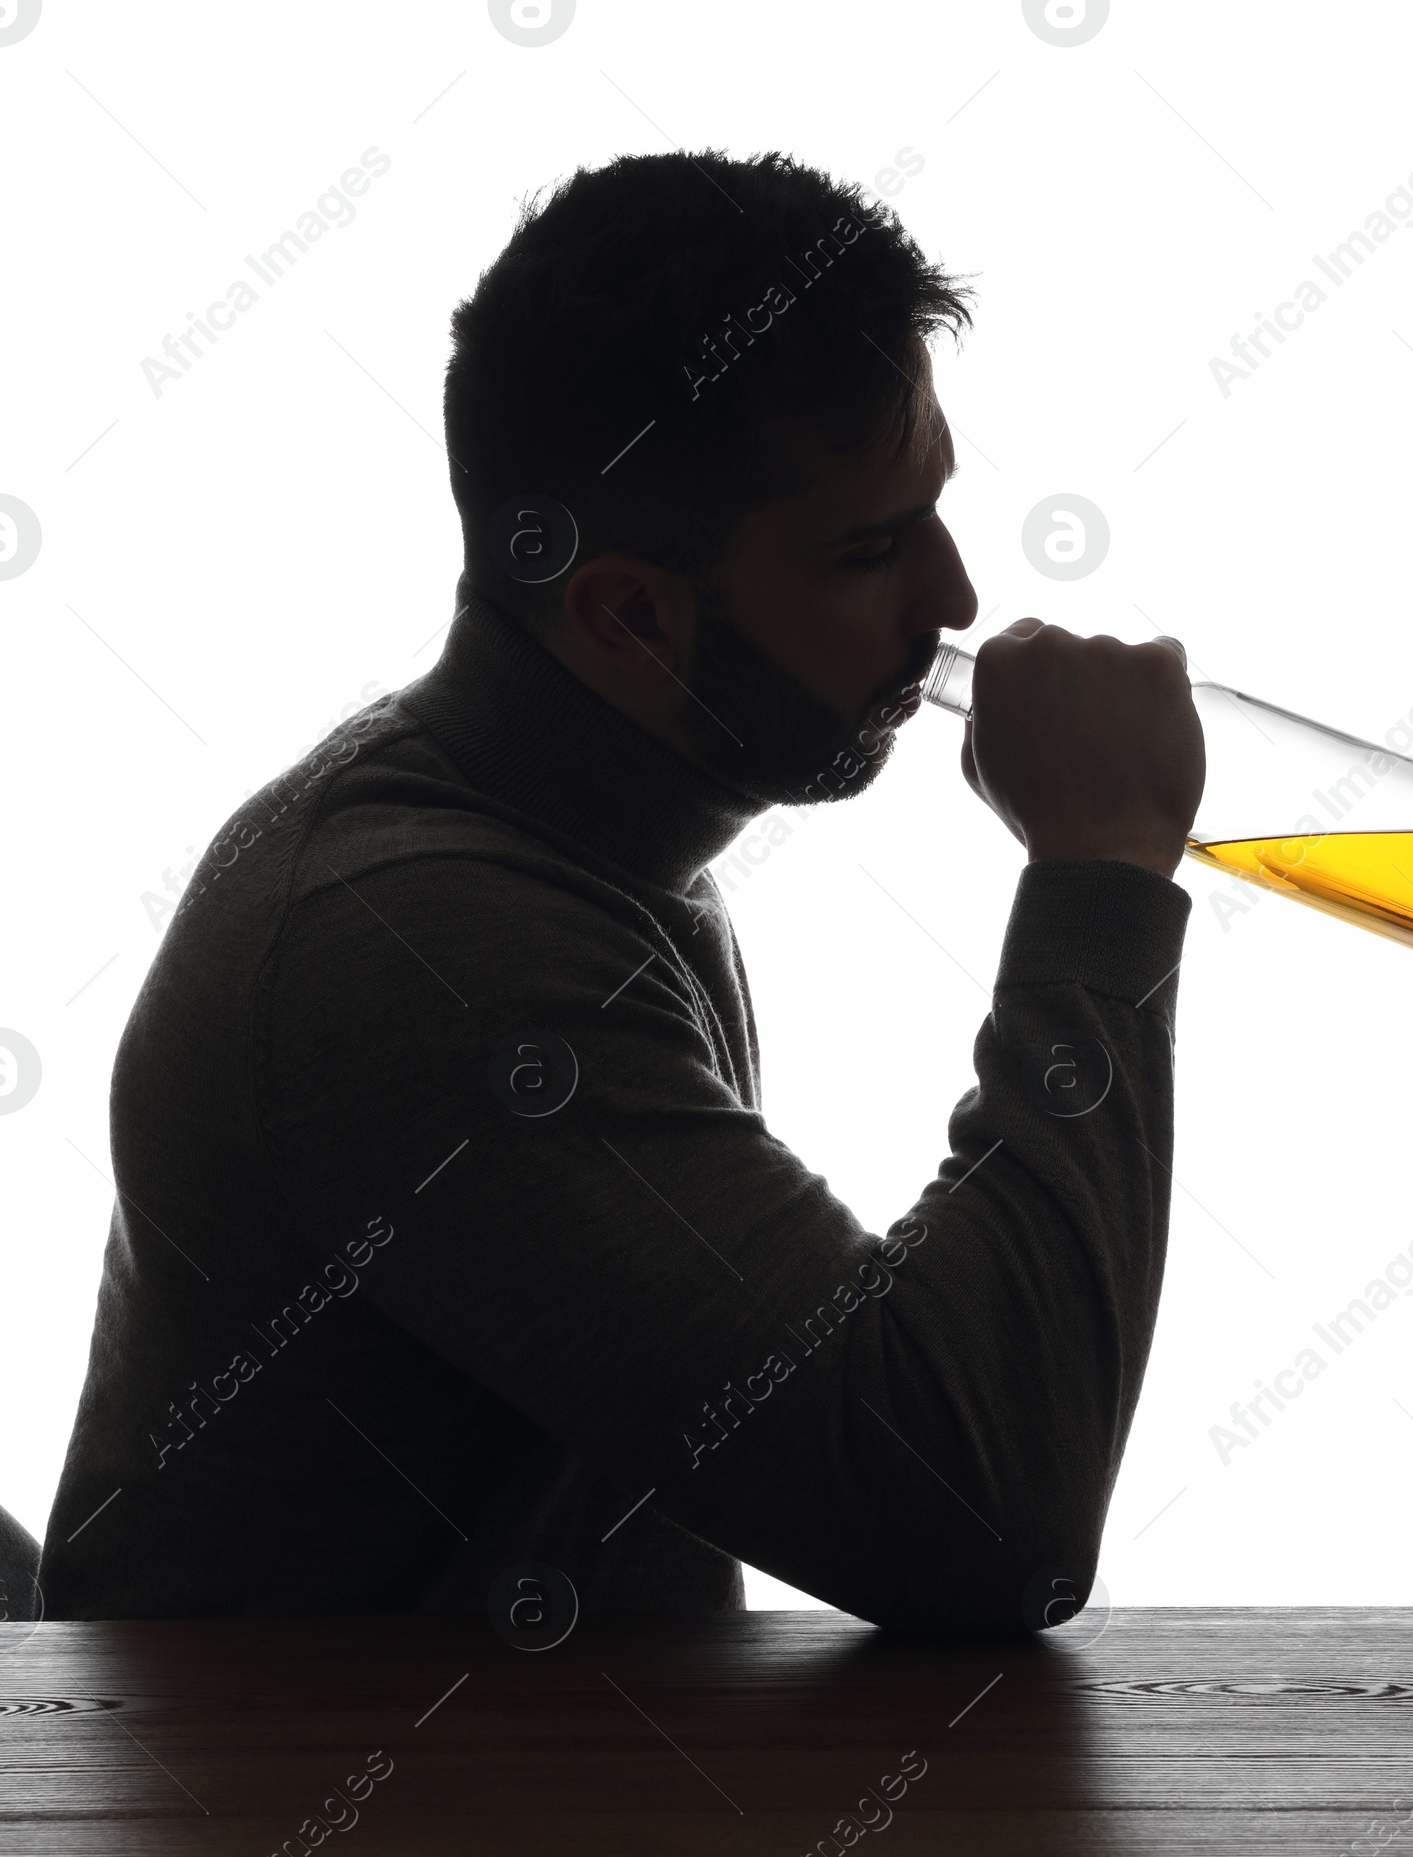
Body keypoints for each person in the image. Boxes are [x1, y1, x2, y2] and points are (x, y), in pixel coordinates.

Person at [40, 149, 1203, 1637]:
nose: (957, 601)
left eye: (933, 512)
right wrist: (1098, 882)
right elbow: (983, 1519)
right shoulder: (420, 948)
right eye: (871, 549)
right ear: (631, 615)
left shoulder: (571, 839)